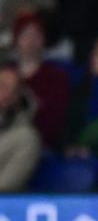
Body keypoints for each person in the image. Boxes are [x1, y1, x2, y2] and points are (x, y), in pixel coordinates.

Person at [12, 13, 69, 150]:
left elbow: (56, 122)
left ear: (43, 40)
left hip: (35, 145)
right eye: (25, 35)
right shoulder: (5, 73)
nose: (31, 41)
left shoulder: (56, 77)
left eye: (36, 35)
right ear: (16, 40)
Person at [0, 64, 40, 192]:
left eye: (12, 89)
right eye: (1, 85)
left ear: (17, 97)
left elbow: (6, 189)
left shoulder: (25, 139)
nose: (5, 93)